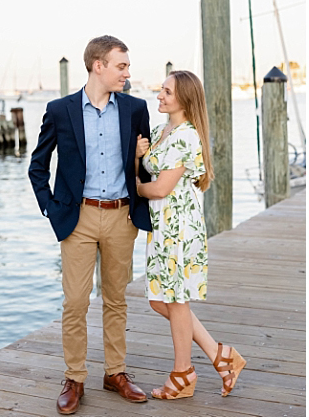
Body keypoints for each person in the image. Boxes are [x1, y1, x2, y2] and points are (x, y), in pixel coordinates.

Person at [28, 35, 152, 415]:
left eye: (127, 66)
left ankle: (115, 373)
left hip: (121, 216)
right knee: (76, 302)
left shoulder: (135, 108)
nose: (127, 73)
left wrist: (146, 160)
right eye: (122, 66)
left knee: (116, 300)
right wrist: (51, 207)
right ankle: (75, 377)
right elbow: (38, 164)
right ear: (98, 66)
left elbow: (145, 168)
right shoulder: (60, 110)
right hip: (77, 218)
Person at [136, 70, 246, 399]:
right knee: (161, 300)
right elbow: (146, 170)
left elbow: (160, 187)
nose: (160, 96)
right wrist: (139, 155)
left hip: (179, 228)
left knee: (175, 300)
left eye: (167, 92)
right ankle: (220, 355)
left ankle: (182, 374)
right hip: (163, 228)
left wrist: (136, 188)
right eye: (161, 90)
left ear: (184, 98)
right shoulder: (161, 130)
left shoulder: (186, 136)